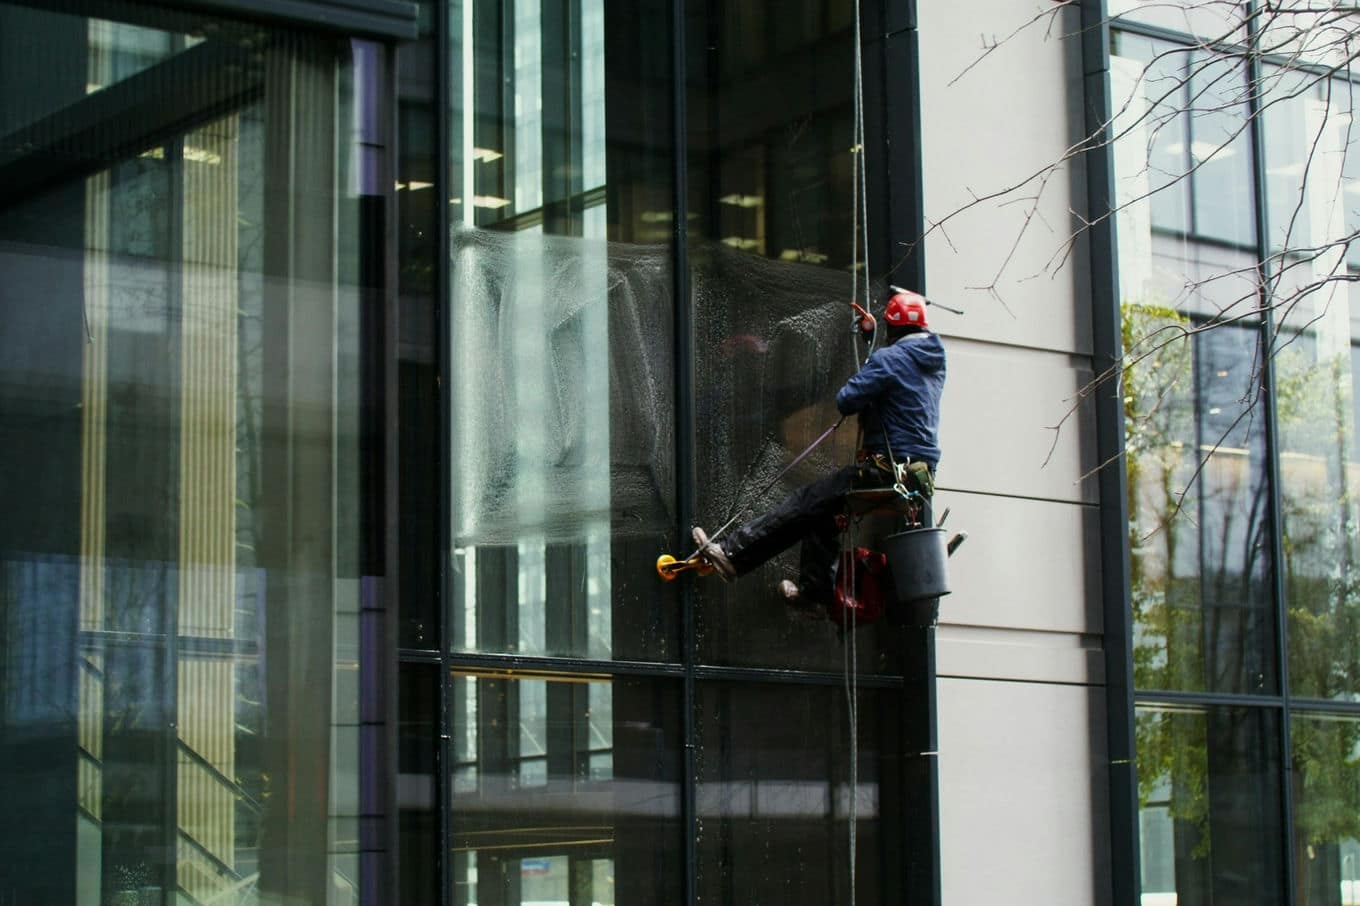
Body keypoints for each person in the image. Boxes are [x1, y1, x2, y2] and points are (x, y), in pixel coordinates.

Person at [691, 289, 947, 610]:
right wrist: (874, 350)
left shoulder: (890, 358)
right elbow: (899, 383)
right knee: (821, 512)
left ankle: (732, 552)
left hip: (884, 472)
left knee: (805, 501)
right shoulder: (934, 364)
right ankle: (815, 595)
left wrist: (874, 353)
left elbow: (848, 399)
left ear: (893, 329)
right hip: (915, 478)